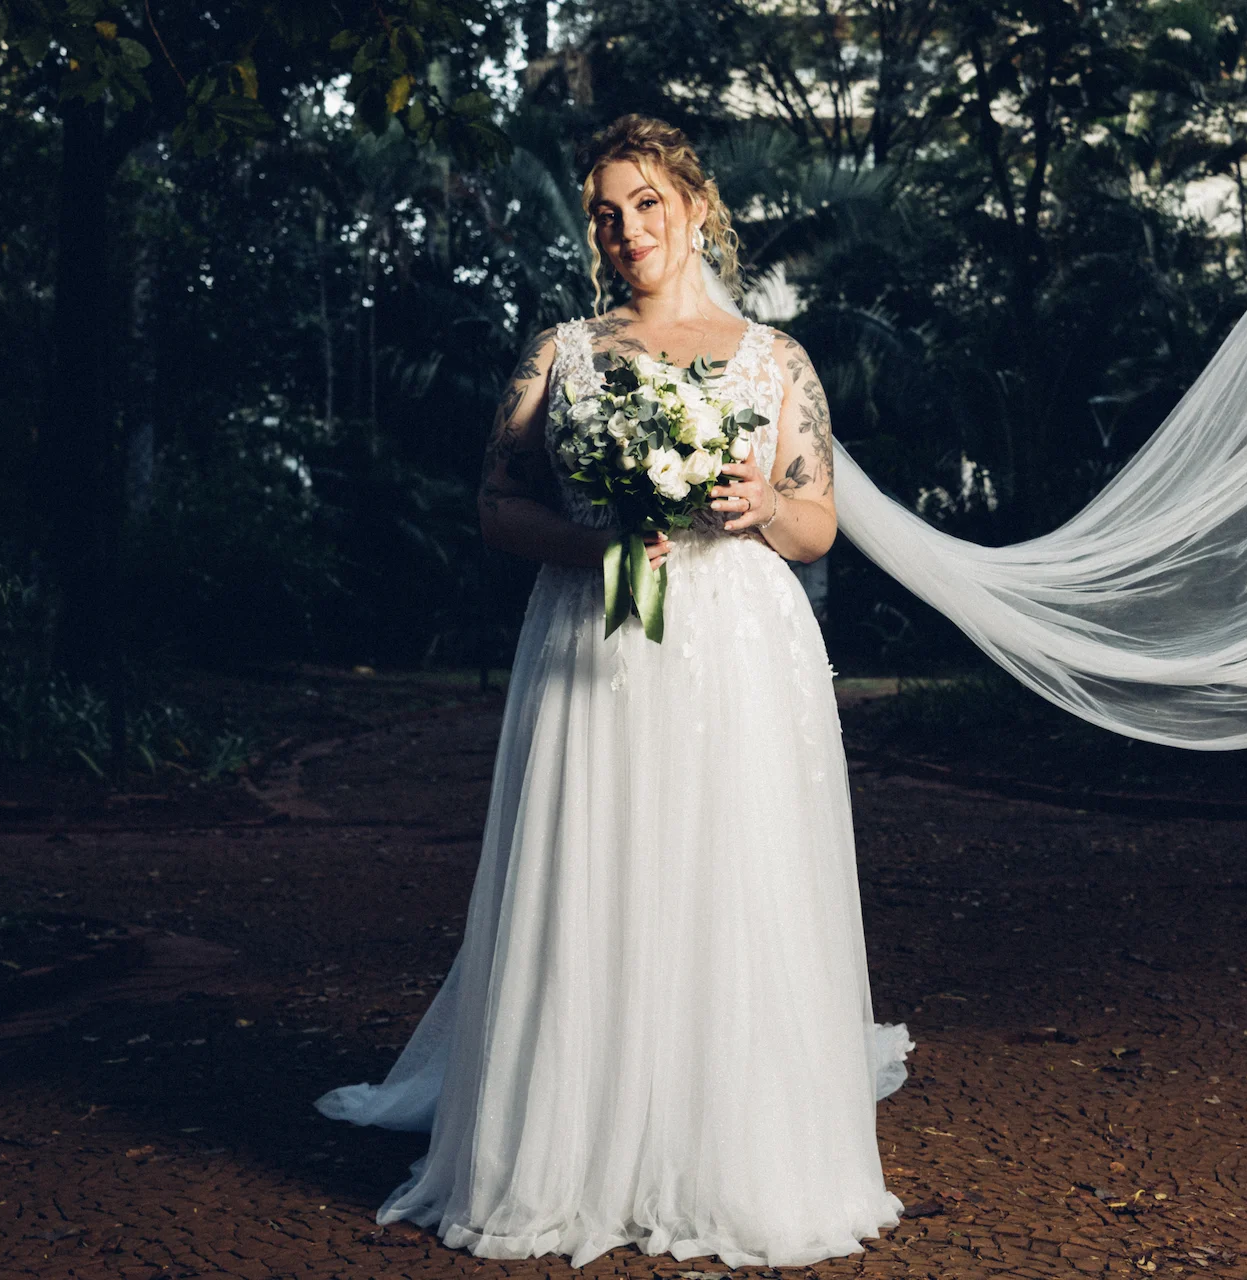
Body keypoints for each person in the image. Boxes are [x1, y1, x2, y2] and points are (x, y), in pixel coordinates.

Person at [316, 113, 912, 1269]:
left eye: (646, 202)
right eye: (605, 209)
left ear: (696, 207)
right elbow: (495, 505)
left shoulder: (775, 359)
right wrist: (601, 544)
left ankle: (730, 1149)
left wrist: (757, 510)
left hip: (739, 645)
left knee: (727, 874)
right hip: (592, 637)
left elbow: (818, 518)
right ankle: (571, 1147)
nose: (626, 227)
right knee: (595, 867)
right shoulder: (561, 352)